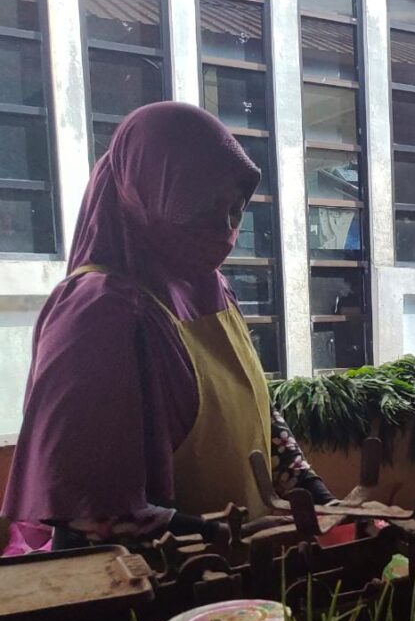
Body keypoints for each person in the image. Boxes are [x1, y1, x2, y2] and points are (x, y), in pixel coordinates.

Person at [0, 103, 335, 551]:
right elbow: (90, 518)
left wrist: (307, 487)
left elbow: (251, 408)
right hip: (155, 595)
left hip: (240, 578)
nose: (224, 229)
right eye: (203, 209)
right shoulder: (99, 313)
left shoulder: (211, 286)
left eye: (235, 211)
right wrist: (223, 537)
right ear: (146, 193)